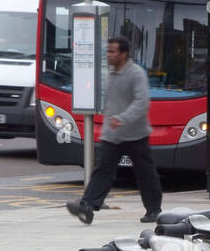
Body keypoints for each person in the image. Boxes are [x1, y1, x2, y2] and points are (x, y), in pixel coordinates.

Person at [66, 36, 162, 225]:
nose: (108, 55)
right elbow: (111, 103)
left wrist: (123, 118)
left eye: (112, 51)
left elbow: (142, 103)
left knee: (145, 173)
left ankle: (154, 210)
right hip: (112, 134)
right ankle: (88, 206)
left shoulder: (136, 74)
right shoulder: (110, 73)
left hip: (136, 134)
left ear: (123, 54)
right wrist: (109, 124)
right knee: (102, 170)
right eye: (107, 51)